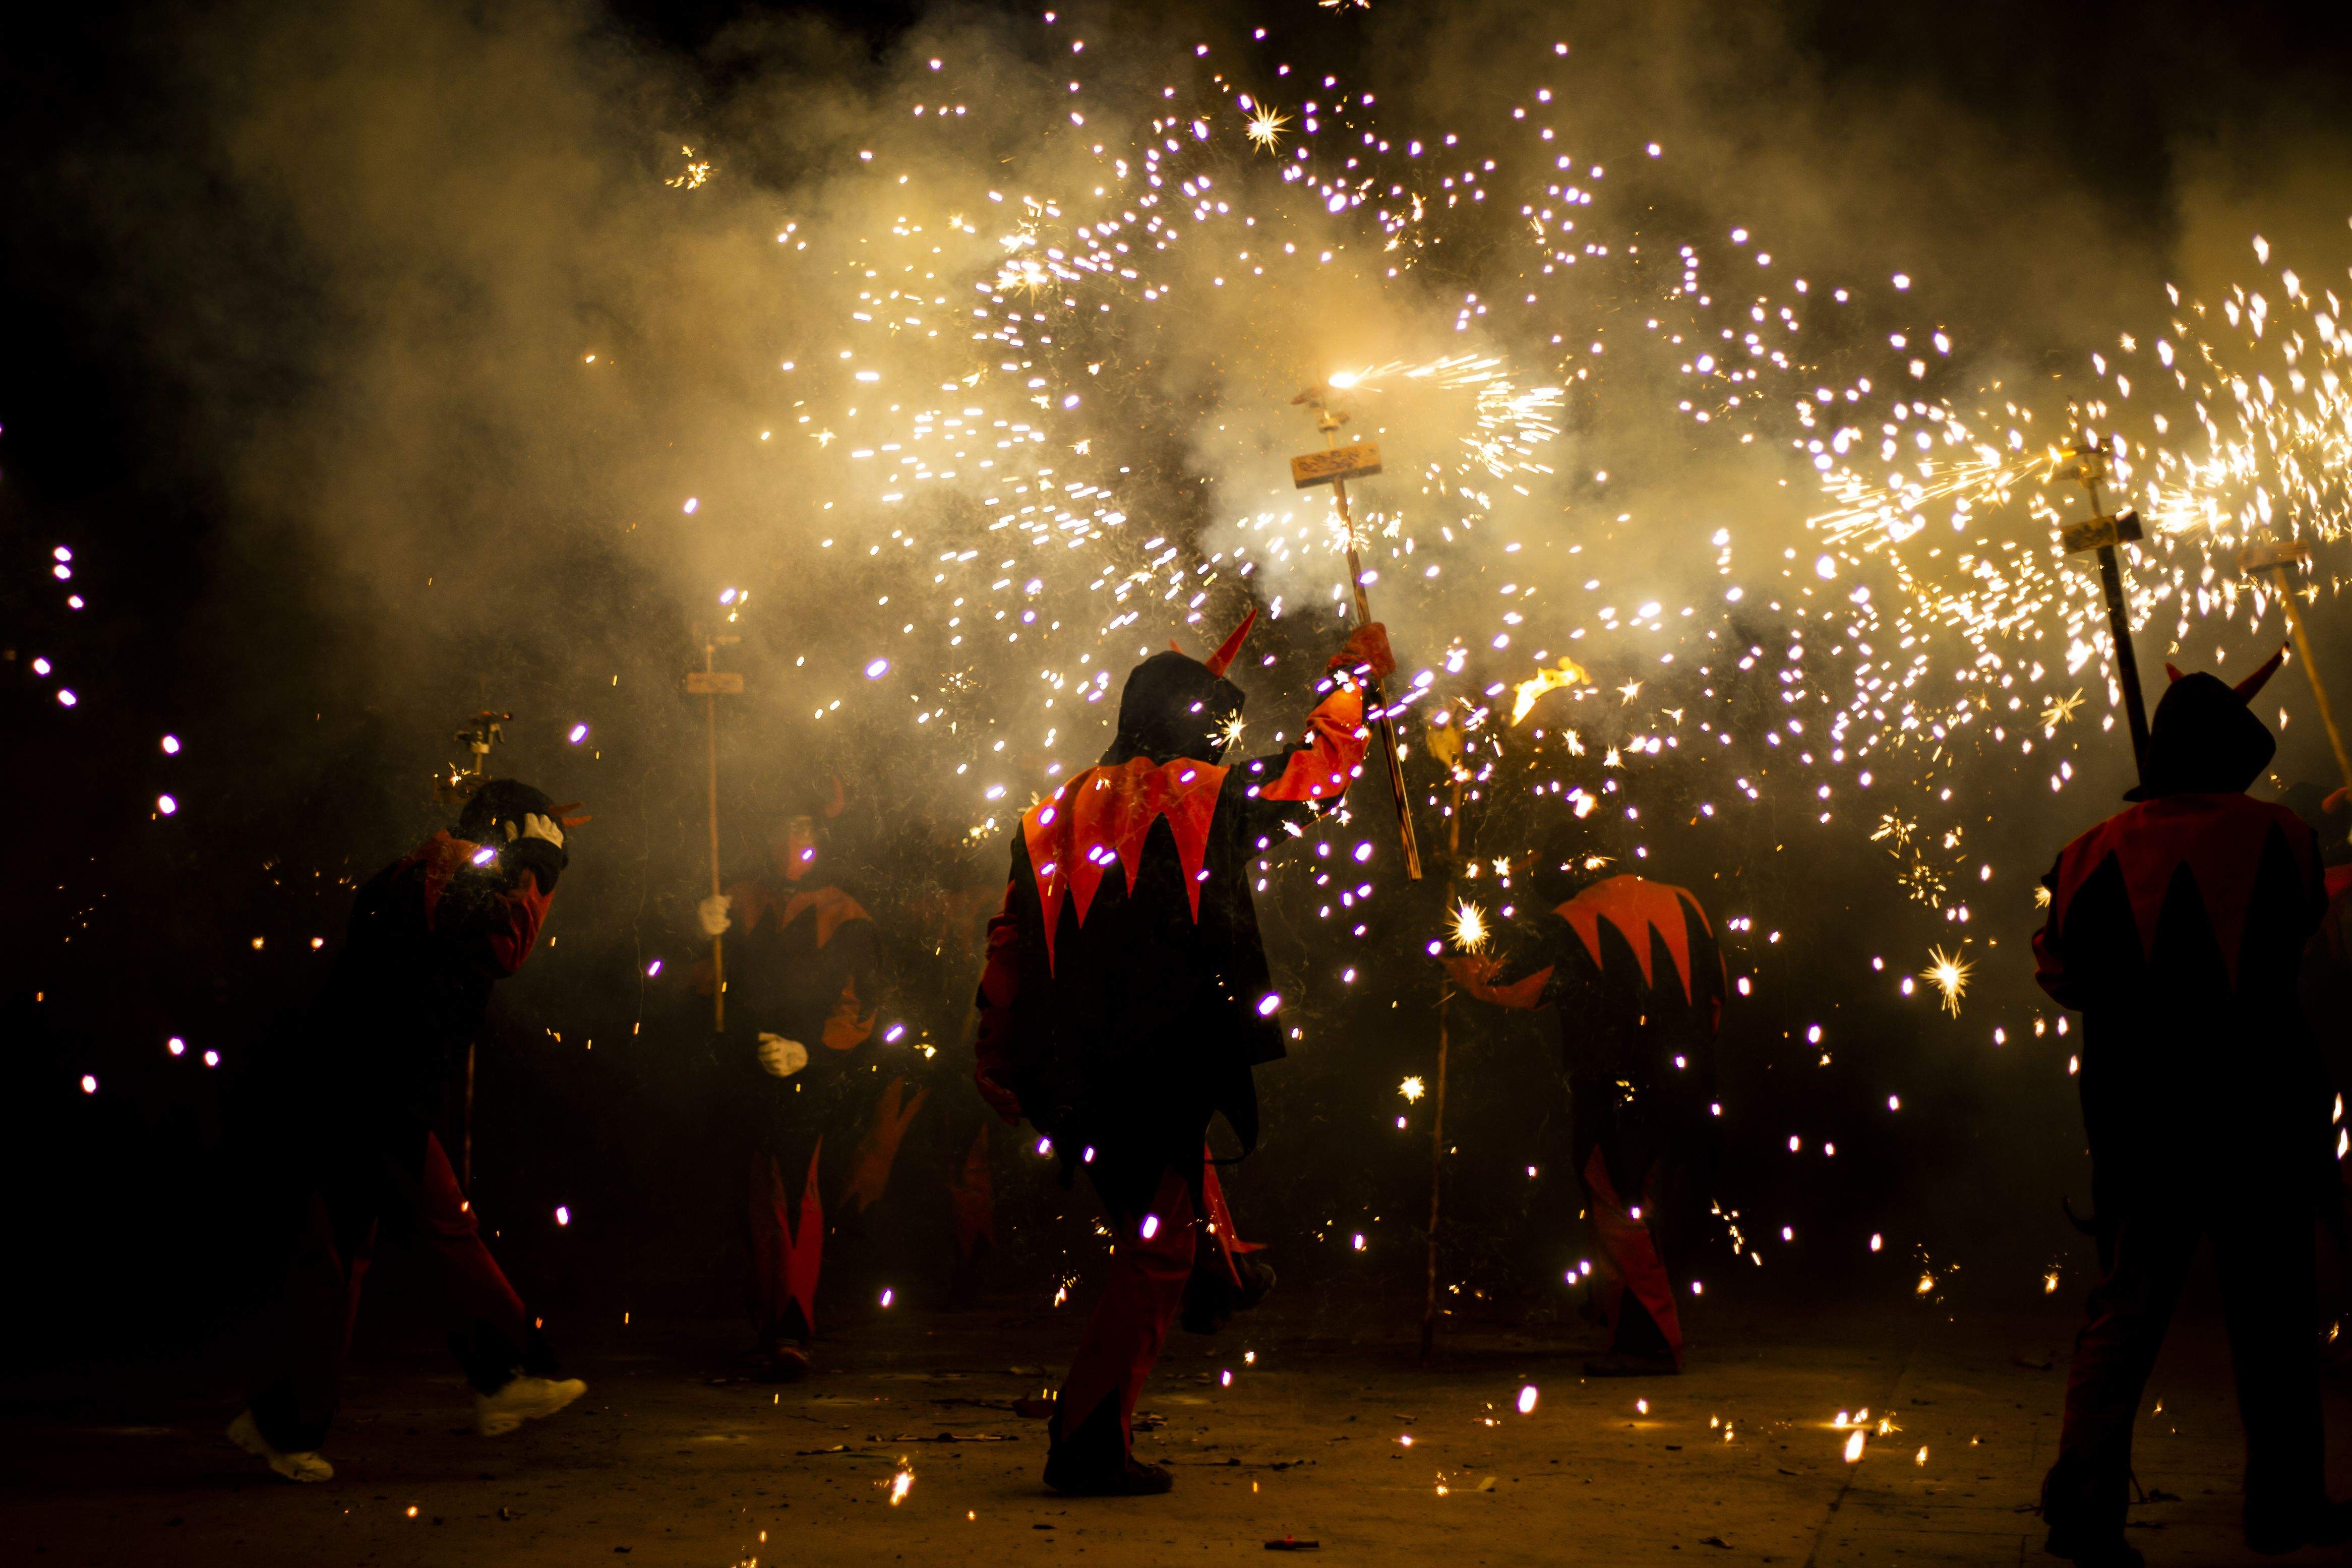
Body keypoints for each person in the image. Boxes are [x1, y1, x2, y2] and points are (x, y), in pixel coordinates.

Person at [974, 610, 1386, 1496]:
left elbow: (1008, 943)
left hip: (1071, 1071)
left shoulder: (1048, 810)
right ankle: (1087, 1443)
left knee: (1163, 1197)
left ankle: (1222, 1268)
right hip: (1152, 1064)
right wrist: (1351, 685)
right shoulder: (1205, 793)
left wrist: (997, 1057)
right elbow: (1317, 778)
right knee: (1155, 1247)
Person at [2033, 653, 2351, 1567]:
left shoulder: (2086, 848)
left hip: (2142, 1113)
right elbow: (2297, 934)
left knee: (2125, 1312)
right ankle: (2283, 1505)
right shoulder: (2283, 836)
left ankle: (2085, 1510)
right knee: (2275, 1316)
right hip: (2256, 1107)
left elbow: (2060, 975)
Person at [228, 780, 586, 1484]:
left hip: (357, 1082)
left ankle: (282, 1421)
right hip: (373, 1088)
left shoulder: (426, 868)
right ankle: (505, 1371)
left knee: (338, 1254)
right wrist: (540, 863)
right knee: (437, 1227)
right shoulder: (453, 876)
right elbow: (506, 945)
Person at [1443, 825, 1727, 1376]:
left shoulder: (1575, 918)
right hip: (1692, 1078)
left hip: (1618, 1087)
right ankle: (1621, 1317)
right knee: (1647, 1203)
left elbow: (1510, 982)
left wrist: (1448, 953)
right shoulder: (1686, 901)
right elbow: (1717, 995)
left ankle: (1649, 1343)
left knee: (1617, 1202)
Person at [697, 796, 889, 1379]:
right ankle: (766, 1321)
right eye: (784, 822)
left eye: (803, 824)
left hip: (808, 1073)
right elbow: (705, 986)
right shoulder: (739, 894)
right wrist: (700, 931)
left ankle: (791, 1326)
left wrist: (811, 1051)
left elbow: (867, 1006)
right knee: (752, 1192)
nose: (791, 838)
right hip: (740, 1067)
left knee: (793, 1192)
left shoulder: (848, 914)